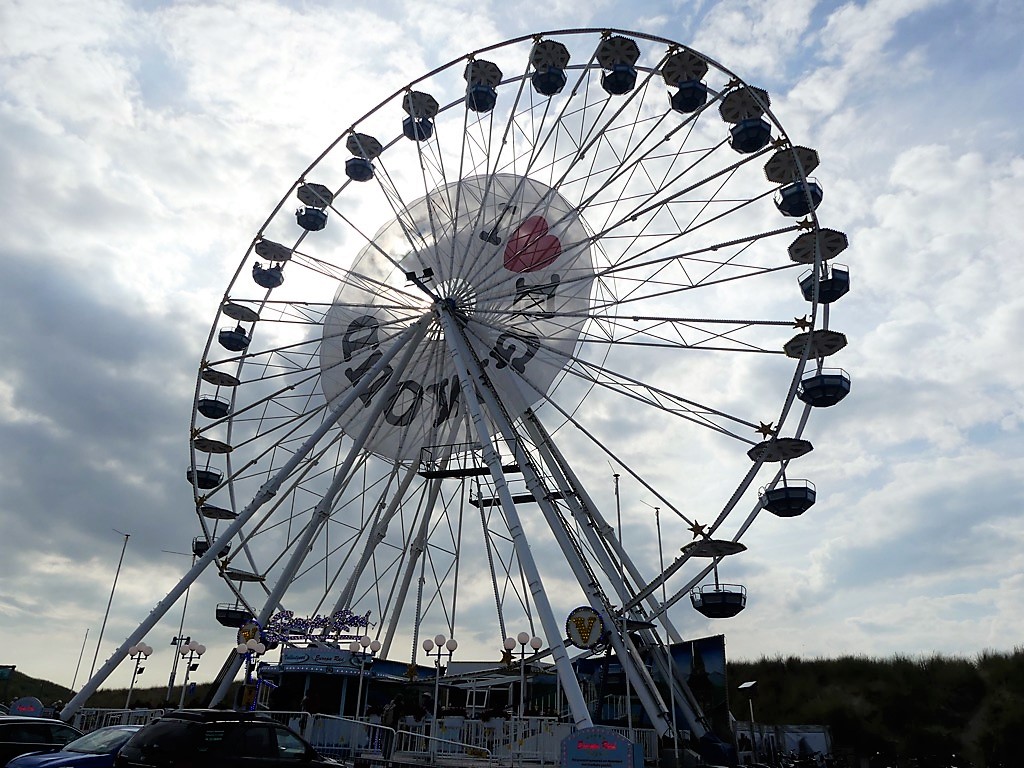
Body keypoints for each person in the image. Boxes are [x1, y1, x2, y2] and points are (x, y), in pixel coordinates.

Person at [380, 694, 403, 759]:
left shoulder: (391, 704)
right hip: (394, 723)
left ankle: (384, 753)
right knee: (391, 740)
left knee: (386, 739)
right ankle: (389, 754)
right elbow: (400, 714)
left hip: (387, 723)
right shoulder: (399, 705)